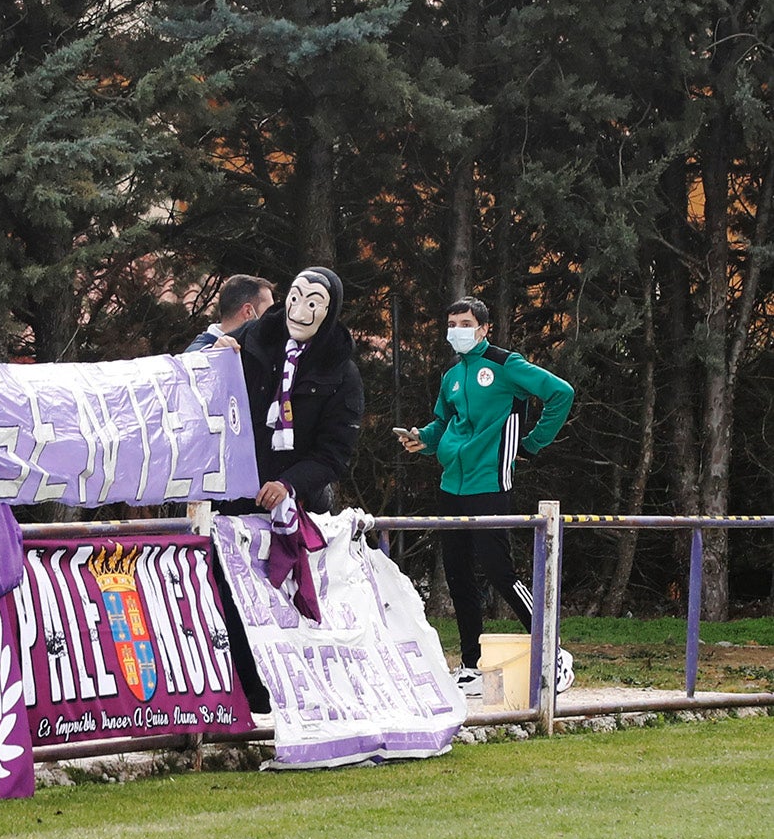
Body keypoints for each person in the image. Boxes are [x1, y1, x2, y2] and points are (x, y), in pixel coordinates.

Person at [397, 295, 575, 694]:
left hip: (490, 482)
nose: (457, 331)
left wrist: (532, 443)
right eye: (451, 324)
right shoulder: (451, 375)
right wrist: (421, 438)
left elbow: (561, 393)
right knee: (458, 576)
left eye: (465, 324)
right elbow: (444, 423)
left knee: (499, 572)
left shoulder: (506, 364)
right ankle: (471, 666)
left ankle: (555, 651)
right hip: (451, 485)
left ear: (484, 328)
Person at [216, 266, 363, 516]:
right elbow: (205, 394)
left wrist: (289, 484)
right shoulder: (254, 337)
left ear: (329, 312)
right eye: (294, 299)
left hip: (294, 508)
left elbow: (334, 452)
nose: (299, 312)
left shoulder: (340, 372)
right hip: (230, 495)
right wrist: (216, 354)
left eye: (312, 304)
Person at [184, 275, 275, 353]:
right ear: (248, 312)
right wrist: (214, 357)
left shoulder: (253, 348)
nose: (273, 317)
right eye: (269, 311)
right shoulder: (197, 354)